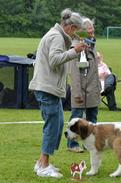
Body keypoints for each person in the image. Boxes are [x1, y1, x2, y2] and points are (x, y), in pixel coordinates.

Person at [28, 9, 87, 178]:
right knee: (52, 127)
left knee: (58, 124)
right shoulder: (56, 37)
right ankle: (44, 166)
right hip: (47, 88)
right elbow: (54, 60)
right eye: (75, 29)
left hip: (49, 88)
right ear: (70, 27)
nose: (75, 33)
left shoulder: (57, 35)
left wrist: (72, 48)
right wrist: (74, 51)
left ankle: (41, 162)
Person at [67, 17, 101, 153]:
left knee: (92, 118)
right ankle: (72, 144)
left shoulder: (91, 44)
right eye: (89, 30)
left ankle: (89, 143)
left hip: (93, 89)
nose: (92, 33)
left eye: (93, 30)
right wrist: (76, 93)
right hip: (80, 90)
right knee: (76, 118)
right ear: (81, 31)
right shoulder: (75, 47)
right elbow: (74, 73)